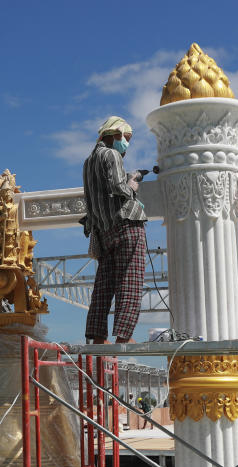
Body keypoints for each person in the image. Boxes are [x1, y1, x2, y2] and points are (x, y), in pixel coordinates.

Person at [81, 116, 148, 344]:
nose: (126, 143)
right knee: (130, 279)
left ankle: (97, 335)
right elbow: (118, 187)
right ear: (115, 134)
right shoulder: (111, 154)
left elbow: (92, 198)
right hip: (127, 224)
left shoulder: (88, 162)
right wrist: (133, 184)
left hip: (104, 230)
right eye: (125, 138)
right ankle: (124, 336)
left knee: (104, 284)